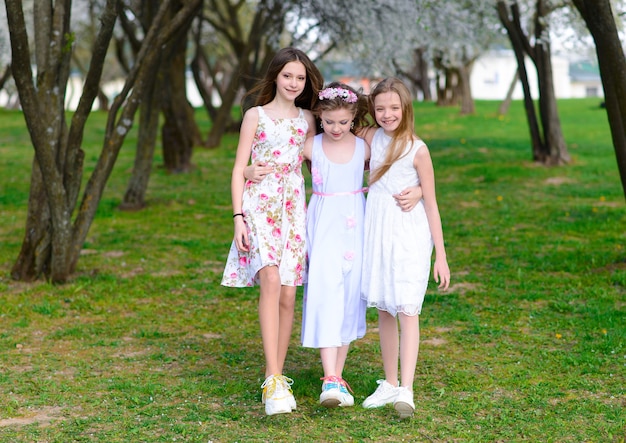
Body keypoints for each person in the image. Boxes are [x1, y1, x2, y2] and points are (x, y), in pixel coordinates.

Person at [221, 47, 323, 416]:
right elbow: (238, 168)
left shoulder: (308, 119)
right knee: (270, 279)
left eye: (300, 78)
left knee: (288, 294)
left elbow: (329, 153)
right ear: (275, 77)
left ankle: (272, 374)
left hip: (294, 207)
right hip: (260, 205)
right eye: (287, 76)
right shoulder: (255, 115)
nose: (294, 83)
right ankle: (276, 381)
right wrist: (237, 217)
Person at [358, 77, 450, 419]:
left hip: (409, 234)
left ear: (406, 108)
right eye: (380, 108)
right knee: (384, 307)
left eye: (394, 108)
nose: (387, 114)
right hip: (378, 231)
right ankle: (389, 382)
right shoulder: (369, 138)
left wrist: (441, 255)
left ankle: (406, 389)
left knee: (407, 308)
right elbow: (338, 126)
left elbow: (433, 203)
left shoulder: (417, 149)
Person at [299, 82, 370, 408]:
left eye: (343, 122)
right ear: (320, 117)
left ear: (353, 117)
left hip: (355, 225)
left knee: (349, 295)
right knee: (327, 292)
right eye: (329, 123)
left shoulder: (363, 148)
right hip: (325, 223)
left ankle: (338, 377)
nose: (336, 128)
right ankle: (329, 377)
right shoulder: (309, 146)